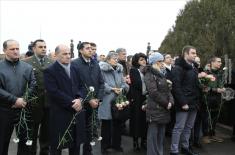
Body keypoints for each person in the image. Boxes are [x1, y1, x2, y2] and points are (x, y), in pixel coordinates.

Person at [43, 44, 86, 155]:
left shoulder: (75, 68)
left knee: (76, 144)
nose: (68, 56)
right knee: (57, 144)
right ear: (56, 55)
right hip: (60, 113)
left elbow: (82, 86)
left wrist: (79, 99)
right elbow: (54, 91)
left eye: (69, 54)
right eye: (64, 54)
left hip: (76, 112)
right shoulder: (49, 71)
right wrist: (72, 102)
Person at [0, 39, 36, 155]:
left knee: (24, 144)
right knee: (2, 142)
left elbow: (33, 84)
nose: (16, 51)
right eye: (12, 49)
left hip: (24, 111)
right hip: (5, 111)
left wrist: (23, 99)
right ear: (4, 50)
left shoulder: (27, 67)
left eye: (17, 48)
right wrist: (14, 100)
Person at [71, 42, 104, 155]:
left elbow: (101, 83)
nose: (91, 50)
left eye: (91, 48)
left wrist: (98, 99)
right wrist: (87, 99)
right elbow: (75, 85)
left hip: (94, 103)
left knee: (89, 132)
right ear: (80, 50)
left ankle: (88, 152)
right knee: (77, 132)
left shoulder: (95, 63)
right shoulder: (75, 64)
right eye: (87, 48)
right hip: (81, 103)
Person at [24, 39, 53, 155]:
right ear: (34, 48)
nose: (44, 49)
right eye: (40, 47)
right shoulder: (26, 62)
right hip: (33, 102)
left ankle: (44, 151)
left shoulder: (52, 62)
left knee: (46, 130)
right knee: (32, 130)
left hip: (48, 102)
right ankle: (31, 152)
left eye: (45, 47)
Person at [170, 45, 200, 155]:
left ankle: (185, 148)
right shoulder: (178, 68)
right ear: (186, 54)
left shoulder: (194, 67)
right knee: (179, 128)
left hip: (194, 103)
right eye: (193, 53)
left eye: (195, 53)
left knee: (188, 127)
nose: (195, 55)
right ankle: (174, 151)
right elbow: (176, 87)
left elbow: (194, 85)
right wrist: (183, 102)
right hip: (184, 103)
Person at [98, 52, 129, 154]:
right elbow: (101, 83)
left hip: (118, 100)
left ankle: (116, 145)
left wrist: (123, 89)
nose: (116, 60)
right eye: (113, 58)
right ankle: (105, 147)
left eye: (116, 58)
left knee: (118, 124)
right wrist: (112, 89)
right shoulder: (102, 69)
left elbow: (124, 83)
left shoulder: (119, 69)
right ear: (107, 60)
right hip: (107, 99)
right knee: (106, 125)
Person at [144, 52, 174, 155]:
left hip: (163, 109)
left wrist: (171, 101)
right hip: (155, 109)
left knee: (161, 136)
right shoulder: (149, 74)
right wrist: (166, 103)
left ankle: (159, 153)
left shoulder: (161, 74)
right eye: (160, 61)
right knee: (153, 136)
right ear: (154, 62)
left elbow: (168, 91)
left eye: (162, 61)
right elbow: (153, 93)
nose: (162, 63)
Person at [202, 56, 226, 143]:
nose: (220, 63)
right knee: (206, 117)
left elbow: (221, 84)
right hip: (208, 98)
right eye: (218, 61)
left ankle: (212, 135)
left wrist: (223, 89)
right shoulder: (206, 73)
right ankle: (205, 136)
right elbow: (204, 87)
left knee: (215, 117)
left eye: (220, 62)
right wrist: (216, 89)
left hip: (218, 98)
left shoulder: (220, 73)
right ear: (212, 62)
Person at [128, 53, 148, 151]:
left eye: (144, 59)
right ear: (136, 61)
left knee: (145, 120)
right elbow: (137, 83)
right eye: (141, 59)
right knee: (136, 120)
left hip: (146, 98)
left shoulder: (147, 70)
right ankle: (135, 142)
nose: (143, 61)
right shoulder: (133, 70)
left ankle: (144, 141)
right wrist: (149, 86)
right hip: (136, 99)